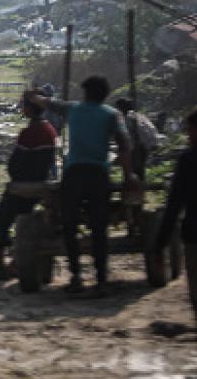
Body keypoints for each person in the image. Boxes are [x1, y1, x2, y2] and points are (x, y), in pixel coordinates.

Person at [26, 76, 133, 296]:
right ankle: (101, 279)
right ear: (105, 95)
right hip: (98, 174)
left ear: (84, 93)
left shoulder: (73, 109)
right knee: (99, 227)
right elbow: (124, 147)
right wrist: (128, 176)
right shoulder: (112, 115)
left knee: (69, 224)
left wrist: (32, 96)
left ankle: (76, 276)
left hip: (74, 174)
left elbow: (46, 103)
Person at [0, 91, 58, 280]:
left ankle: (1, 264)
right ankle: (14, 261)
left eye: (24, 106)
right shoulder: (50, 129)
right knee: (21, 217)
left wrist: (14, 175)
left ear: (30, 109)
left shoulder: (29, 133)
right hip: (41, 183)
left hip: (24, 185)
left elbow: (17, 162)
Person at [154, 109, 197, 322]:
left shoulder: (188, 160)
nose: (188, 135)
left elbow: (174, 204)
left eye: (190, 130)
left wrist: (160, 243)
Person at [114, 98, 160, 181]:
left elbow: (130, 136)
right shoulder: (138, 116)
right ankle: (140, 188)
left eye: (117, 108)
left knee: (133, 172)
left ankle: (135, 190)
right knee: (139, 171)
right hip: (144, 147)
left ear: (121, 108)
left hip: (137, 148)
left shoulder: (128, 118)